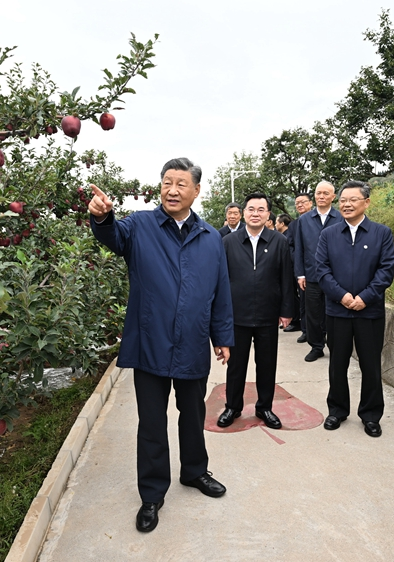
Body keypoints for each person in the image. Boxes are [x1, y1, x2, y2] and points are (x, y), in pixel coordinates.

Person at [89, 157, 234, 534]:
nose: (172, 190)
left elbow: (220, 291)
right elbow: (113, 236)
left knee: (193, 414)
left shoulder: (210, 238)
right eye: (167, 182)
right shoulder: (140, 226)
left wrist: (222, 337)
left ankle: (195, 472)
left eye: (181, 184)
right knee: (152, 423)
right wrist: (103, 217)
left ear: (196, 191)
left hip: (192, 342)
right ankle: (152, 494)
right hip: (149, 343)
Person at [315, 180, 394, 438]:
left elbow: (386, 270)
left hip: (369, 312)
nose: (347, 204)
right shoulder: (328, 234)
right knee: (337, 364)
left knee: (370, 365)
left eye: (353, 200)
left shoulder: (381, 233)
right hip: (337, 312)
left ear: (366, 202)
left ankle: (371, 415)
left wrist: (365, 297)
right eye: (343, 200)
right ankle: (337, 410)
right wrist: (342, 296)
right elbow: (322, 270)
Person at [217, 193, 294, 430]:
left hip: (267, 314)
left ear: (268, 214)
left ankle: (264, 407)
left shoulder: (279, 241)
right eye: (251, 209)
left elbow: (286, 277)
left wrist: (286, 310)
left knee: (267, 365)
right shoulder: (228, 242)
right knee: (235, 365)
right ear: (244, 213)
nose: (255, 213)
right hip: (236, 315)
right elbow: (220, 280)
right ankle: (233, 406)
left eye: (261, 209)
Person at [292, 182, 342, 361]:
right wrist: (300, 274)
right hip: (311, 275)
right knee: (313, 313)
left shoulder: (341, 217)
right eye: (318, 193)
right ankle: (316, 346)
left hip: (335, 276)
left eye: (326, 193)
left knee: (333, 313)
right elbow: (299, 248)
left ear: (333, 197)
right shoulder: (304, 220)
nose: (321, 196)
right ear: (314, 196)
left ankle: (335, 347)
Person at [292, 193, 313, 340]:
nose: (300, 205)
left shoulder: (319, 220)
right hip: (304, 270)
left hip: (323, 269)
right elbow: (292, 247)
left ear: (311, 203)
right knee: (305, 303)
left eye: (303, 202)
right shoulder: (295, 224)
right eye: (297, 203)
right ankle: (306, 331)